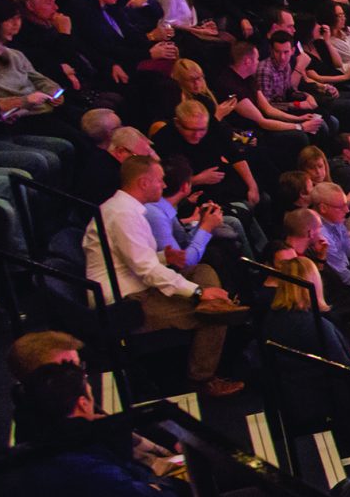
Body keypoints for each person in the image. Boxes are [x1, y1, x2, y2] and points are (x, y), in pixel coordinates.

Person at [84, 155, 247, 397]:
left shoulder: (124, 209)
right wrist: (198, 293)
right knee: (218, 315)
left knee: (202, 269)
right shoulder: (124, 215)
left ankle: (212, 305)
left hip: (135, 285)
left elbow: (136, 259)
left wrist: (165, 258)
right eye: (159, 180)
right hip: (126, 301)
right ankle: (201, 379)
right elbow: (146, 270)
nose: (163, 185)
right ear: (143, 183)